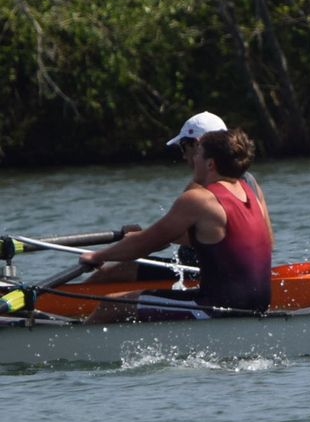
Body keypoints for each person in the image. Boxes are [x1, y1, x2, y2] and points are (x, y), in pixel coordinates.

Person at [78, 126, 274, 321]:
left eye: (198, 153)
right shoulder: (249, 192)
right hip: (258, 306)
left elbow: (145, 244)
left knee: (111, 304)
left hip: (214, 308)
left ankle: (75, 345)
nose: (191, 160)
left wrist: (98, 256)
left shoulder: (199, 199)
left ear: (210, 164)